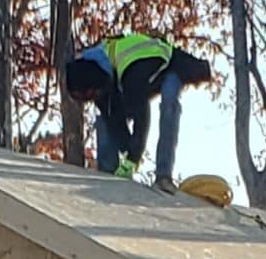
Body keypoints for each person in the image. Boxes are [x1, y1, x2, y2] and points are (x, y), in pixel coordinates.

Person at [63, 33, 213, 191]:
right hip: (139, 78)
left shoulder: (130, 72)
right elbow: (114, 121)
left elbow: (142, 116)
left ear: (95, 80)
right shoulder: (102, 80)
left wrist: (133, 158)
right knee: (106, 118)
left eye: (92, 93)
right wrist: (127, 151)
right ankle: (107, 174)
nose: (94, 97)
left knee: (169, 103)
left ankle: (163, 176)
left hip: (167, 65)